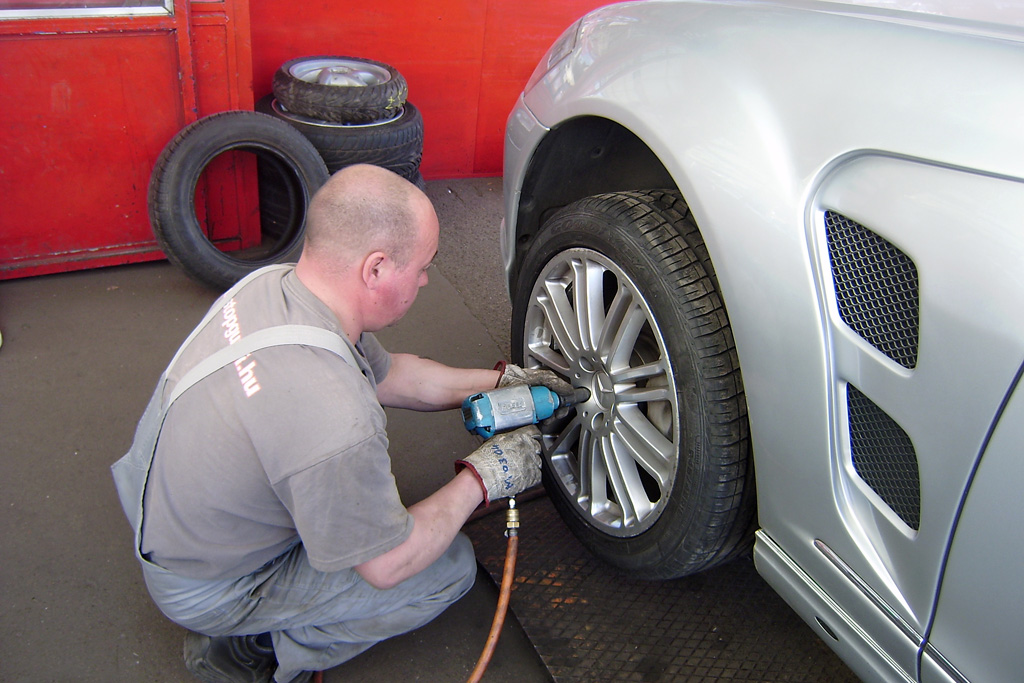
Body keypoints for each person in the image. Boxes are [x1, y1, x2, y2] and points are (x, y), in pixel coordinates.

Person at [112, 164, 572, 683]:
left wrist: (503, 382)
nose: (425, 279)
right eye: (423, 266)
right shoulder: (336, 420)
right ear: (375, 269)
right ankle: (253, 646)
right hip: (214, 584)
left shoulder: (275, 288)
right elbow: (388, 566)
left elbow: (394, 376)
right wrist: (486, 477)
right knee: (448, 571)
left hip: (174, 514)